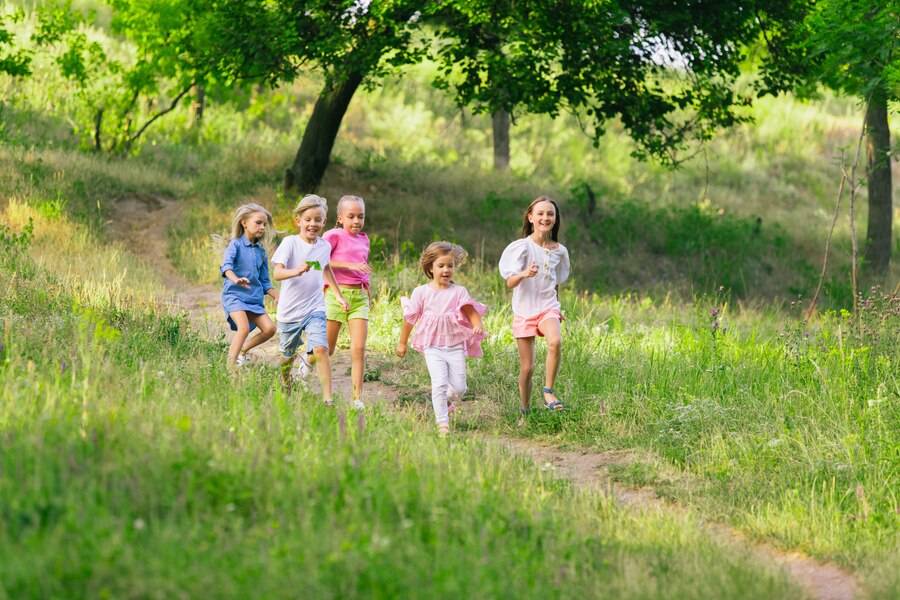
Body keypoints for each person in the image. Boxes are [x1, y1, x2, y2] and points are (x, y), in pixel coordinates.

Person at [396, 242, 486, 436]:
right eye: (441, 266)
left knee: (460, 389)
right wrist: (402, 342)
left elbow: (470, 311)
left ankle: (445, 401)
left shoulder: (458, 292)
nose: (446, 270)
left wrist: (477, 324)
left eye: (450, 266)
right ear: (430, 267)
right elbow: (410, 319)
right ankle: (442, 423)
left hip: (454, 346)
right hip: (432, 347)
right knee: (439, 383)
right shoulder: (422, 292)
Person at [272, 194, 349, 405]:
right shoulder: (290, 243)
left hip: (315, 307)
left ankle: (328, 400)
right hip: (289, 311)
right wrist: (296, 271)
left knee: (321, 349)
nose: (312, 224)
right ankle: (286, 383)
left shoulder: (323, 247)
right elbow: (277, 274)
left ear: (324, 222)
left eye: (318, 220)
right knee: (287, 356)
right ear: (298, 221)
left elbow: (325, 269)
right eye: (308, 219)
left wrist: (338, 295)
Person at [498, 195, 570, 414]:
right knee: (527, 368)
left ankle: (548, 390)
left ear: (555, 219)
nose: (545, 217)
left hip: (548, 307)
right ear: (530, 217)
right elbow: (509, 282)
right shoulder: (521, 248)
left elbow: (555, 283)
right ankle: (525, 409)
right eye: (540, 213)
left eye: (550, 214)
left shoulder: (560, 251)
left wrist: (557, 308)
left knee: (555, 341)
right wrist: (524, 273)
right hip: (524, 311)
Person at [323, 195, 371, 411]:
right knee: (327, 349)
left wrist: (367, 287)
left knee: (359, 349)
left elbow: (363, 267)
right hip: (335, 295)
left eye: (360, 216)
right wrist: (349, 266)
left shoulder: (364, 239)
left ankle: (356, 398)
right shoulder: (333, 235)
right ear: (340, 217)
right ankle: (304, 367)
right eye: (351, 216)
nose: (356, 221)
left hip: (359, 298)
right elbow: (318, 260)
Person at [220, 203, 278, 371]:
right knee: (243, 328)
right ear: (244, 223)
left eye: (264, 224)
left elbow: (266, 282)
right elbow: (226, 267)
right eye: (258, 222)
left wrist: (277, 296)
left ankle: (242, 351)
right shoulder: (235, 245)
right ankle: (229, 369)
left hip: (253, 299)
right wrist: (236, 279)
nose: (262, 227)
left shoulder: (261, 252)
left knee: (270, 329)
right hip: (235, 296)